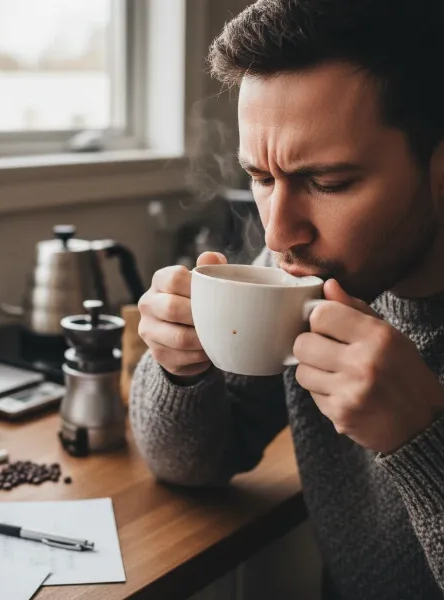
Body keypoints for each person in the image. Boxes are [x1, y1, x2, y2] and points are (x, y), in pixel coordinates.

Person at [130, 1, 444, 598]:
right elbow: (188, 465)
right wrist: (179, 369)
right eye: (263, 178)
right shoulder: (305, 275)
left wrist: (422, 438)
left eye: (327, 183)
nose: (277, 234)